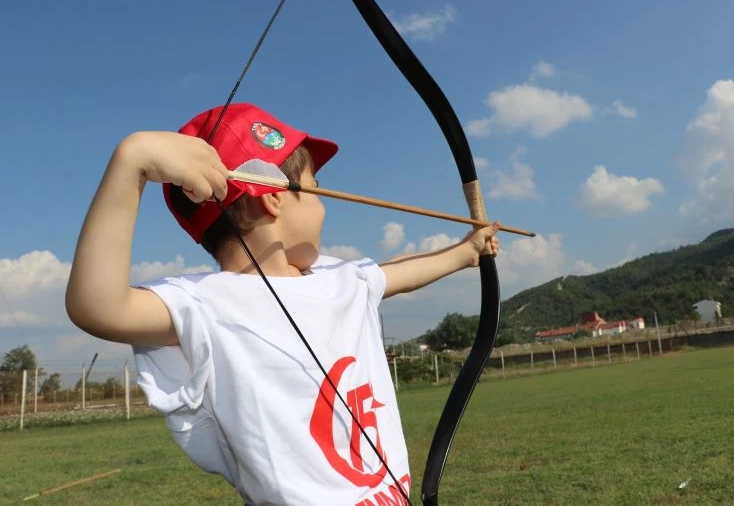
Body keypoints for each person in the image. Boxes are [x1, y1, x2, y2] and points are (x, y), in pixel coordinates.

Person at [65, 103, 500, 505]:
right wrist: (132, 160)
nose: (323, 205)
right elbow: (98, 307)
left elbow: (399, 270)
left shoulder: (341, 279)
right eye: (313, 189)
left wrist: (465, 251)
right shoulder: (205, 304)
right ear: (271, 195)